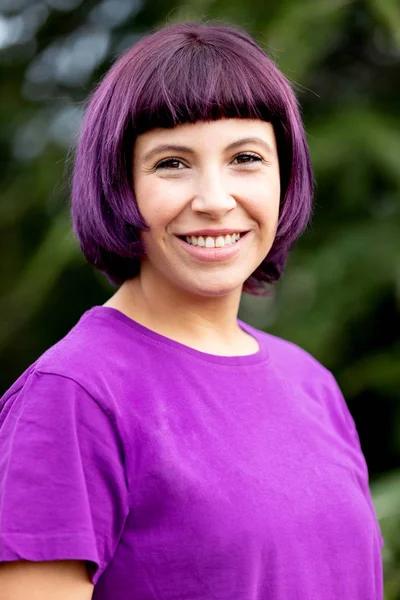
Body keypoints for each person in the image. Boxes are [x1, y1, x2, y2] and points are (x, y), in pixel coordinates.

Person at [0, 21, 383, 600]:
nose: (213, 200)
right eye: (172, 163)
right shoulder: (71, 397)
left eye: (246, 157)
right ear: (119, 184)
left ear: (286, 175)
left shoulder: (311, 383)